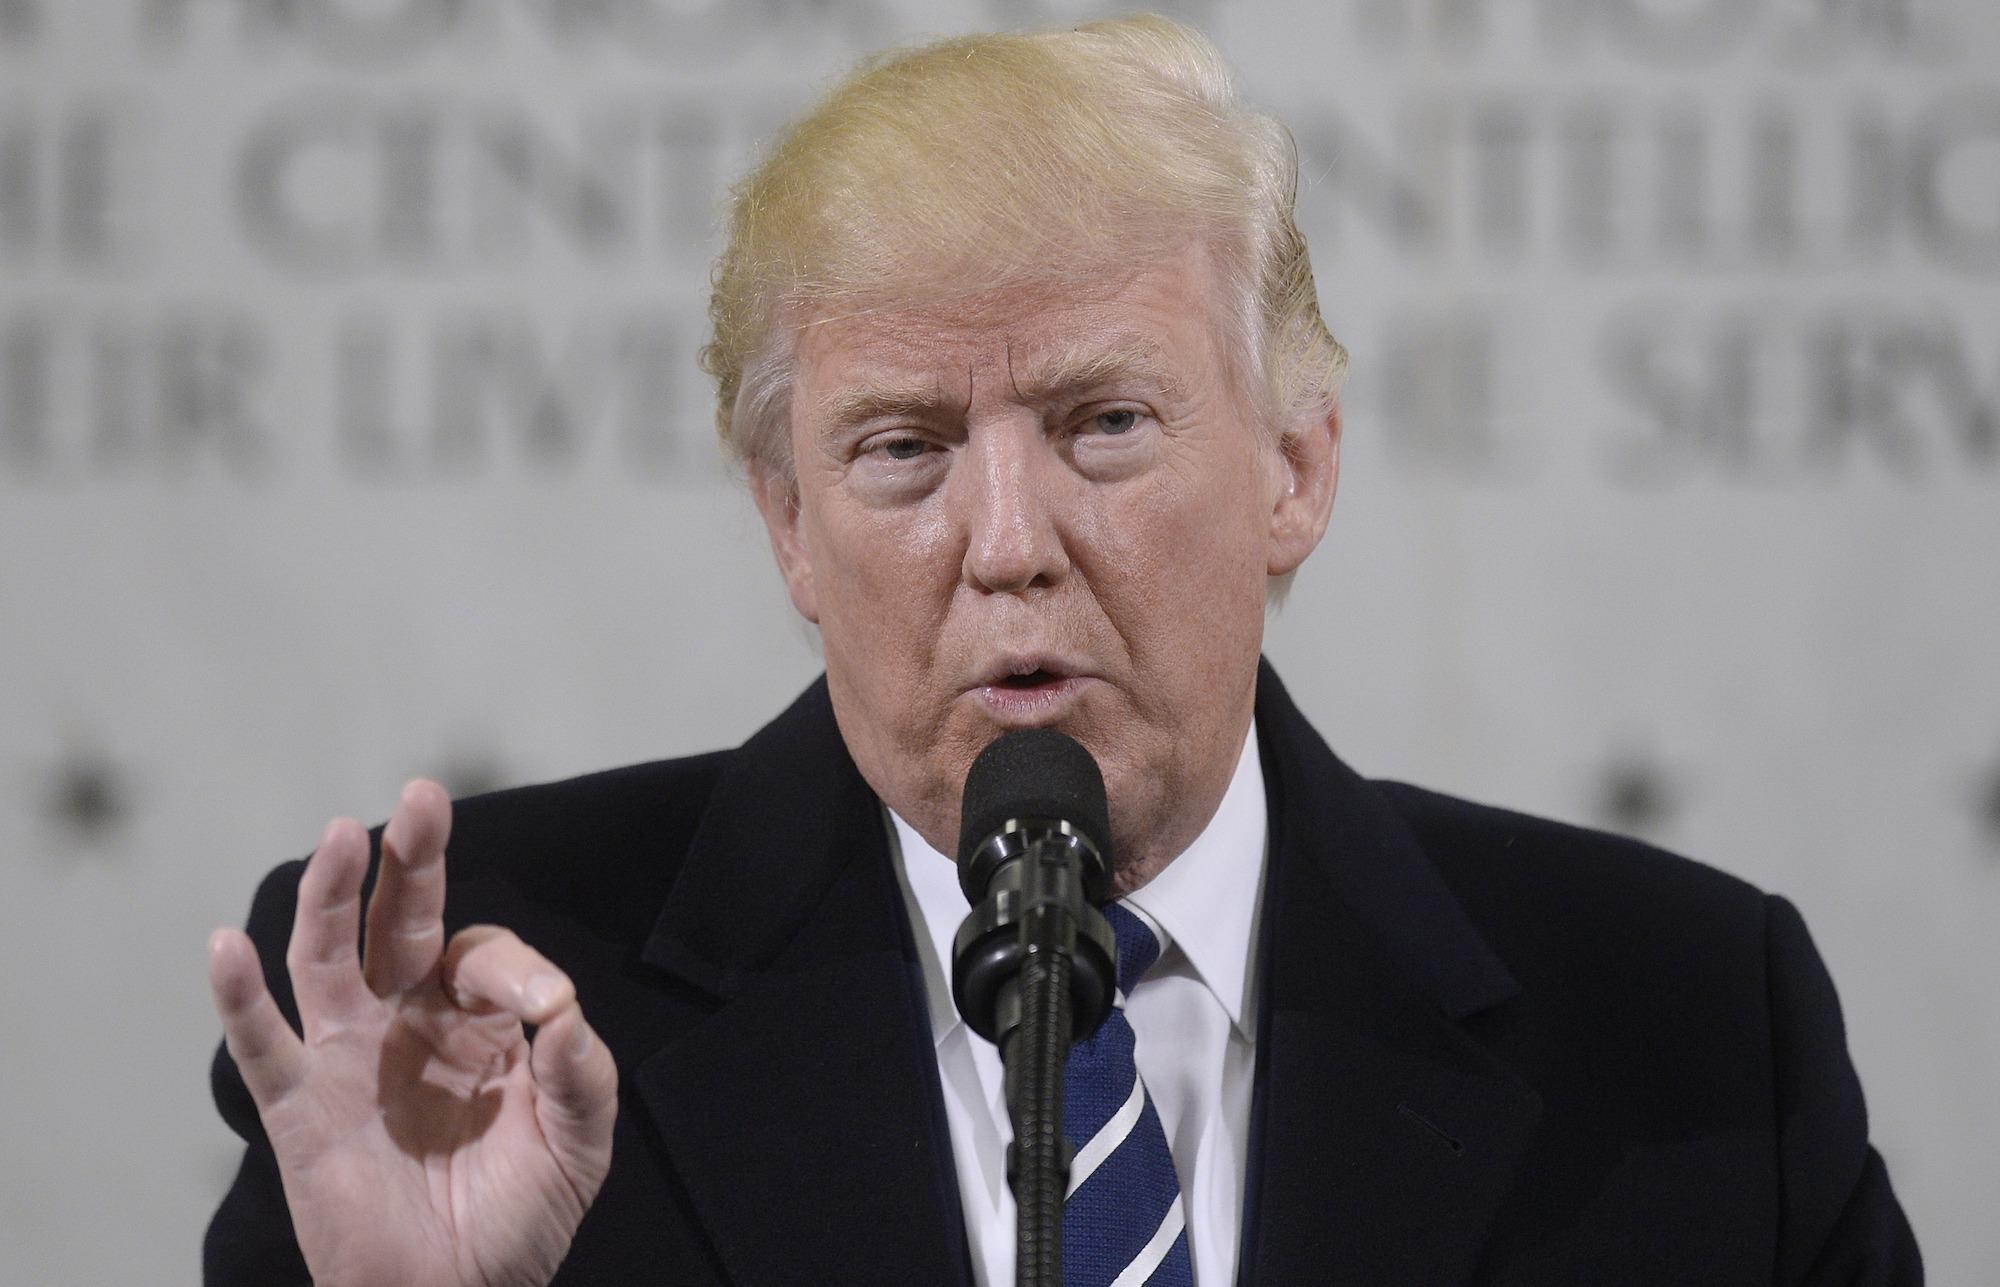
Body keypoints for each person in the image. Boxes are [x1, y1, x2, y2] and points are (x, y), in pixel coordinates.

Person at [203, 14, 1921, 1286]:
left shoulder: (1685, 1028)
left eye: (1103, 421)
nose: (1008, 544)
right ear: (790, 523)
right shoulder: (457, 1017)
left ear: (1294, 469)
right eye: (903, 448)